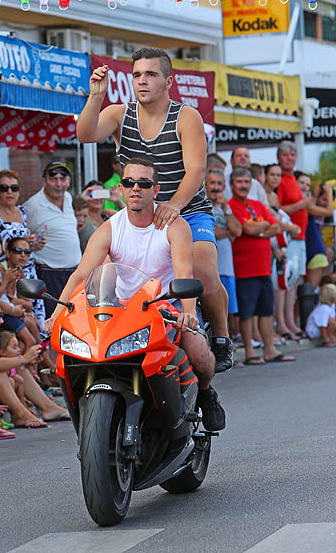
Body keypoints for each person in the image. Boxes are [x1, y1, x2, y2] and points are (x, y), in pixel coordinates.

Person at [76, 47, 232, 373]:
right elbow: (85, 133)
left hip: (186, 207)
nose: (142, 81)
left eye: (151, 74)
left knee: (202, 269)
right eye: (137, 75)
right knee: (110, 272)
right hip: (139, 213)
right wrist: (95, 97)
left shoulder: (186, 117)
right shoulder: (120, 113)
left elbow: (196, 171)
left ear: (168, 81)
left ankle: (221, 336)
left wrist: (173, 206)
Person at [46, 158, 225, 432]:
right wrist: (56, 316)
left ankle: (205, 391)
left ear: (156, 189)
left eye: (143, 183)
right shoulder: (110, 227)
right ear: (121, 189)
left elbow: (184, 273)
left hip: (168, 306)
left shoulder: (174, 226)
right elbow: (81, 275)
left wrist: (189, 312)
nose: (136, 188)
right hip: (122, 310)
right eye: (129, 183)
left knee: (199, 352)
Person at [0, 297, 68, 425]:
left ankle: (48, 407)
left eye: (1, 315)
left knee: (13, 362)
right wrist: (24, 358)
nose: (1, 321)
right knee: (0, 367)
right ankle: (20, 414)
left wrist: (29, 360)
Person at [228, 168, 295, 364]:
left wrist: (259, 230)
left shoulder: (257, 204)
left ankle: (270, 350)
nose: (243, 186)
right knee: (247, 313)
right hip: (245, 268)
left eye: (246, 182)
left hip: (264, 266)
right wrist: (262, 227)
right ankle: (250, 352)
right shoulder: (231, 206)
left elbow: (276, 226)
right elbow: (245, 228)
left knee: (266, 311)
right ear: (232, 185)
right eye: (239, 182)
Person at [0, 169, 46, 329]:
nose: (9, 192)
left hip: (27, 270)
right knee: (21, 320)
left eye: (14, 188)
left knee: (37, 320)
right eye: (4, 188)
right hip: (5, 272)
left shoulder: (21, 211)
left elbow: (21, 243)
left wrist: (32, 245)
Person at [23, 160, 82, 318]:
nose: (58, 184)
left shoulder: (68, 198)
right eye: (53, 179)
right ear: (44, 181)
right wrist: (30, 243)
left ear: (69, 181)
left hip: (74, 273)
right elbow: (20, 237)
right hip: (49, 275)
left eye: (63, 179)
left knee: (75, 319)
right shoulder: (32, 206)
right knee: (54, 321)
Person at [264, 164, 302, 341]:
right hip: (271, 247)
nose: (275, 178)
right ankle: (279, 324)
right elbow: (272, 222)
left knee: (286, 286)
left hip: (281, 247)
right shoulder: (264, 197)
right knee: (277, 288)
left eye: (278, 175)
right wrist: (290, 227)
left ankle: (286, 323)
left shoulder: (274, 197)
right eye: (272, 174)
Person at [277, 141, 310, 337]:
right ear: (279, 157)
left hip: (300, 237)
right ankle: (282, 323)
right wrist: (301, 205)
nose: (290, 158)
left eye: (292, 154)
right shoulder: (280, 179)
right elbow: (278, 209)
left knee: (294, 282)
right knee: (285, 282)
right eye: (286, 155)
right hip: (289, 237)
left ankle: (290, 322)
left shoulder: (292, 179)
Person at [205, 168, 241, 324]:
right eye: (212, 183)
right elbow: (210, 233)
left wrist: (226, 209)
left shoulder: (224, 208)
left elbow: (238, 230)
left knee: (229, 310)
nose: (216, 187)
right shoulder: (202, 206)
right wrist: (228, 232)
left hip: (227, 267)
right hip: (210, 269)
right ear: (205, 185)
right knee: (211, 311)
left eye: (219, 184)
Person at [295, 172, 333, 289]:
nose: (305, 186)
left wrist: (316, 196)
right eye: (301, 183)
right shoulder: (304, 204)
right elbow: (328, 211)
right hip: (308, 248)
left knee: (307, 291)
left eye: (307, 184)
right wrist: (329, 194)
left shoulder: (307, 203)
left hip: (311, 248)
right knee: (304, 291)